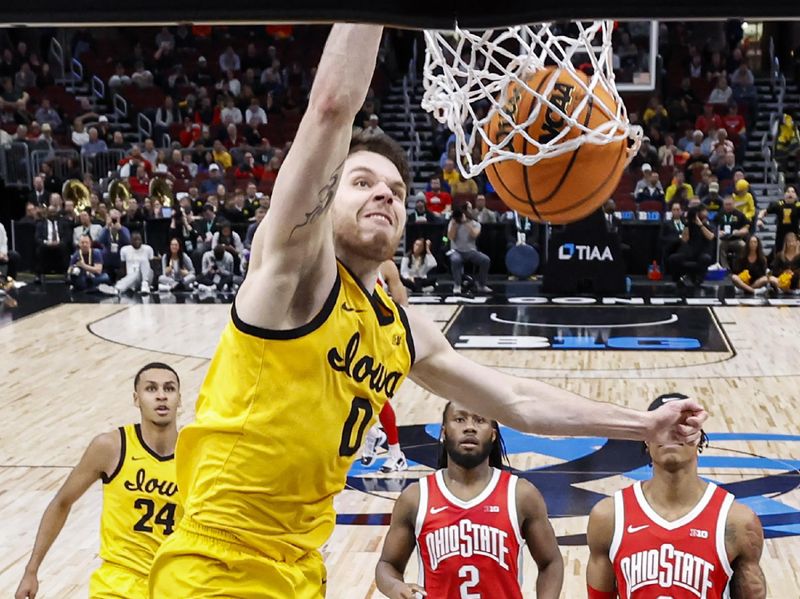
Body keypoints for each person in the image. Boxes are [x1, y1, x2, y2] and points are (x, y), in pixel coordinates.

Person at [148, 24, 706, 599]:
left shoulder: (399, 329)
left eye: (394, 189)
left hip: (297, 566)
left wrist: (641, 425)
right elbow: (331, 108)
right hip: (217, 562)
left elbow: (518, 403)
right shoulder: (292, 278)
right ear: (323, 199)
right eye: (360, 182)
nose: (384, 194)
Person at [14, 363, 182, 599]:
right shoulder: (111, 447)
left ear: (179, 398)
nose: (161, 395)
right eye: (151, 389)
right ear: (137, 399)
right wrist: (31, 570)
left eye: (169, 388)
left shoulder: (194, 452)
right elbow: (61, 502)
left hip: (176, 582)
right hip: (119, 582)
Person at [376, 402, 563, 599]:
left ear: (492, 433)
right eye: (459, 419)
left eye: (480, 420)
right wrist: (393, 586)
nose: (470, 427)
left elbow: (551, 562)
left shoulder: (520, 494)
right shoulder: (415, 497)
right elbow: (387, 564)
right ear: (444, 432)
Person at [587, 394, 766, 599]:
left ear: (698, 436)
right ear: (646, 439)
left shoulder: (738, 522)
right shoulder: (608, 517)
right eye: (661, 426)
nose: (671, 434)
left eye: (682, 426)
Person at [448, 203, 492, 295]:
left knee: (485, 260)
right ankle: (457, 285)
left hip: (471, 251)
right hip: (456, 251)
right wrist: (455, 224)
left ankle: (482, 285)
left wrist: (465, 223)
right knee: (455, 260)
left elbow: (474, 235)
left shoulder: (476, 224)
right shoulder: (453, 222)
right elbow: (450, 237)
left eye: (467, 209)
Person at [668, 204, 715, 287]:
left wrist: (700, 224)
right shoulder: (689, 225)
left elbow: (711, 237)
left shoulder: (706, 225)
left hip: (702, 252)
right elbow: (684, 239)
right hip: (689, 252)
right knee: (673, 258)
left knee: (705, 258)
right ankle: (678, 279)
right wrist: (687, 224)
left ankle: (698, 280)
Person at [98, 231, 154, 295]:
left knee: (144, 261)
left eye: (139, 240)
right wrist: (119, 278)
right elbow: (123, 267)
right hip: (131, 279)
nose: (137, 241)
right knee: (135, 274)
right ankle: (117, 290)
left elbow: (151, 267)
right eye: (135, 240)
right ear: (130, 240)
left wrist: (151, 282)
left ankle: (144, 285)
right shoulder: (125, 250)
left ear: (142, 240)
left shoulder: (148, 249)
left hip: (146, 277)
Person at [757, 185, 799, 259]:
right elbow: (763, 211)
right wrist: (760, 219)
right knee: (779, 254)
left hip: (795, 233)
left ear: (796, 195)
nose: (790, 194)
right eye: (788, 192)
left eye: (793, 192)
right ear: (784, 194)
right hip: (781, 234)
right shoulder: (779, 204)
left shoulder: (798, 206)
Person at [716, 196, 750, 269]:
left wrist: (739, 232)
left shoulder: (740, 214)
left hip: (736, 239)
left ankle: (740, 266)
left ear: (734, 204)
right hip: (724, 240)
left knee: (744, 246)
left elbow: (746, 228)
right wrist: (718, 231)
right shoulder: (720, 214)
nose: (728, 206)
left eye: (730, 204)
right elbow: (713, 226)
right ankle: (725, 267)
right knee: (719, 246)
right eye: (726, 204)